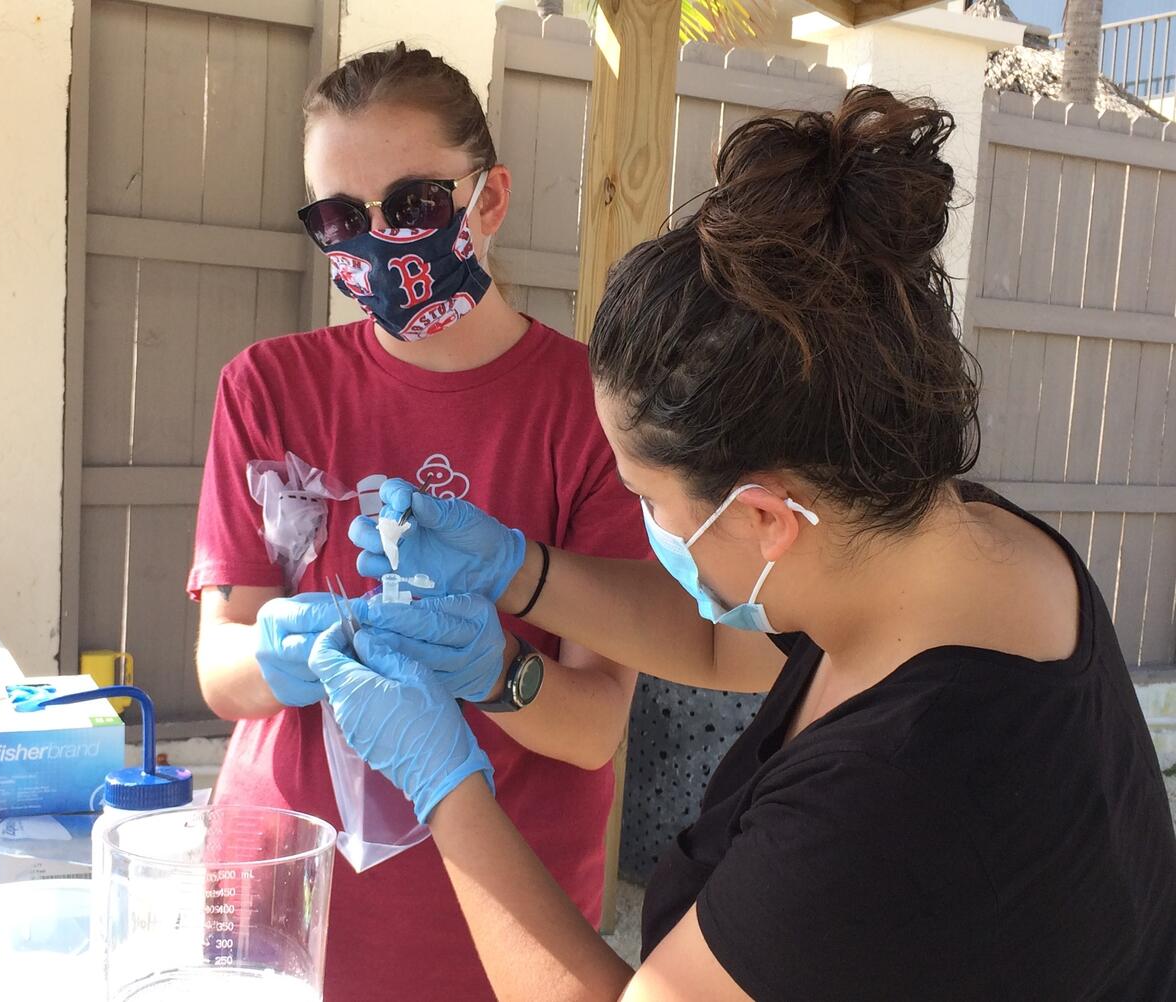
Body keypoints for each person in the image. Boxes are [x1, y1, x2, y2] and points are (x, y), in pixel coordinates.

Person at [317, 86, 1176, 1000]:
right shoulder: (948, 544)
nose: (647, 525)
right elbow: (710, 640)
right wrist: (517, 571)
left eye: (647, 496)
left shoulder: (885, 803)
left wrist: (445, 781)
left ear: (767, 517)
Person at [186, 45, 647, 1002]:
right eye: (342, 218)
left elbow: (597, 721)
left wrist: (495, 673)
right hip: (283, 889)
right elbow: (222, 672)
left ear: (490, 199)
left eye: (415, 204)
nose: (381, 240)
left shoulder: (594, 410)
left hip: (498, 916)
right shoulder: (268, 386)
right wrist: (291, 653)